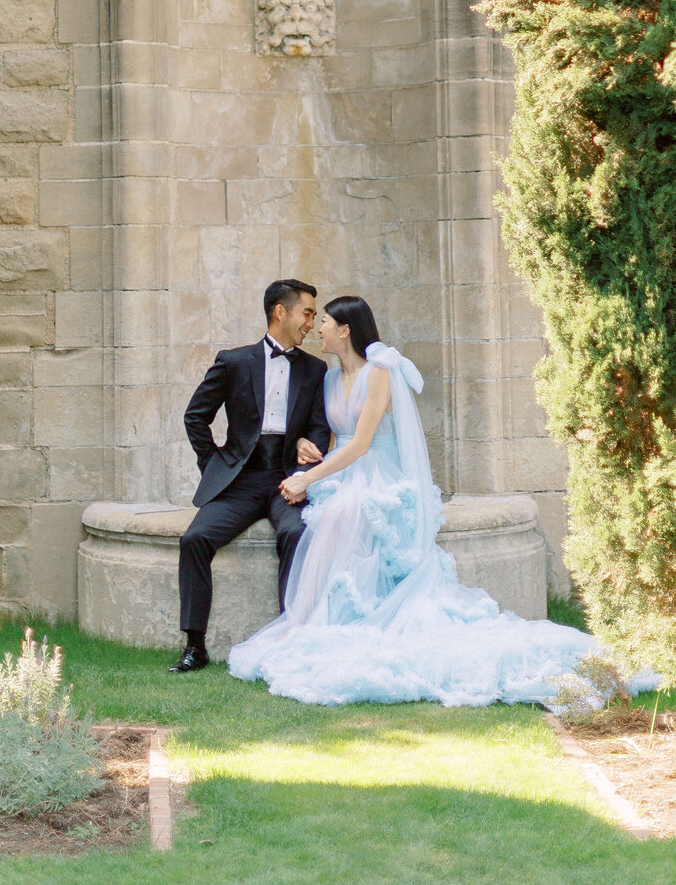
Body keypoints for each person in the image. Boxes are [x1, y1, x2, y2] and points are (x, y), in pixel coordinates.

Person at [228, 295, 627, 706]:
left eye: (325, 321)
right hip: (343, 471)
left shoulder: (379, 373)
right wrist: (306, 451)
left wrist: (306, 479)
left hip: (377, 472)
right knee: (327, 514)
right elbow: (334, 440)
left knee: (349, 513)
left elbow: (362, 443)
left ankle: (354, 622)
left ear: (345, 330)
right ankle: (313, 624)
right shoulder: (329, 379)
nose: (319, 328)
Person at [170, 278, 331, 674]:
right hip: (240, 479)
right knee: (194, 539)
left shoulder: (315, 369)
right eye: (307, 312)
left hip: (286, 478)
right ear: (281, 312)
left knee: (296, 533)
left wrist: (306, 447)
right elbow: (196, 417)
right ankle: (195, 645)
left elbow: (319, 425)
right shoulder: (234, 361)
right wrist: (214, 464)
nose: (311, 322)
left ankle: (290, 637)